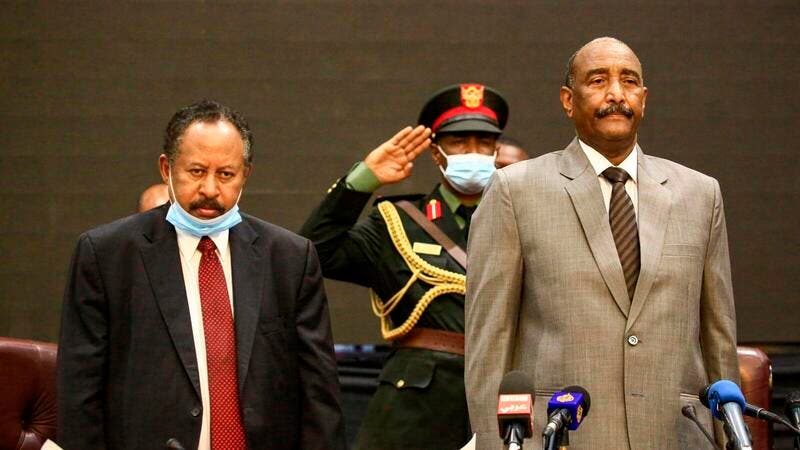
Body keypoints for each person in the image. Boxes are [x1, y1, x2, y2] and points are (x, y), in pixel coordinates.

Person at [465, 37, 739, 449]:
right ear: (568, 100)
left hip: (677, 434)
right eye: (597, 81)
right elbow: (490, 343)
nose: (616, 94)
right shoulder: (515, 190)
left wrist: (730, 439)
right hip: (562, 434)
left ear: (644, 99)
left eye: (629, 81)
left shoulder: (699, 194)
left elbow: (719, 339)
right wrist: (494, 444)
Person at [57, 100, 345, 450]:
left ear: (246, 174)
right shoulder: (107, 255)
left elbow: (319, 394)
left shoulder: (289, 258)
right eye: (196, 171)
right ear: (166, 168)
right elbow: (79, 392)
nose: (210, 189)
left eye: (226, 174)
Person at [300, 84, 509, 450]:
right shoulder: (398, 221)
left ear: (496, 151)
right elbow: (314, 252)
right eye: (459, 142)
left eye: (483, 142)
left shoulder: (518, 218)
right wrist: (364, 180)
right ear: (436, 151)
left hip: (501, 393)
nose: (472, 152)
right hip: (417, 403)